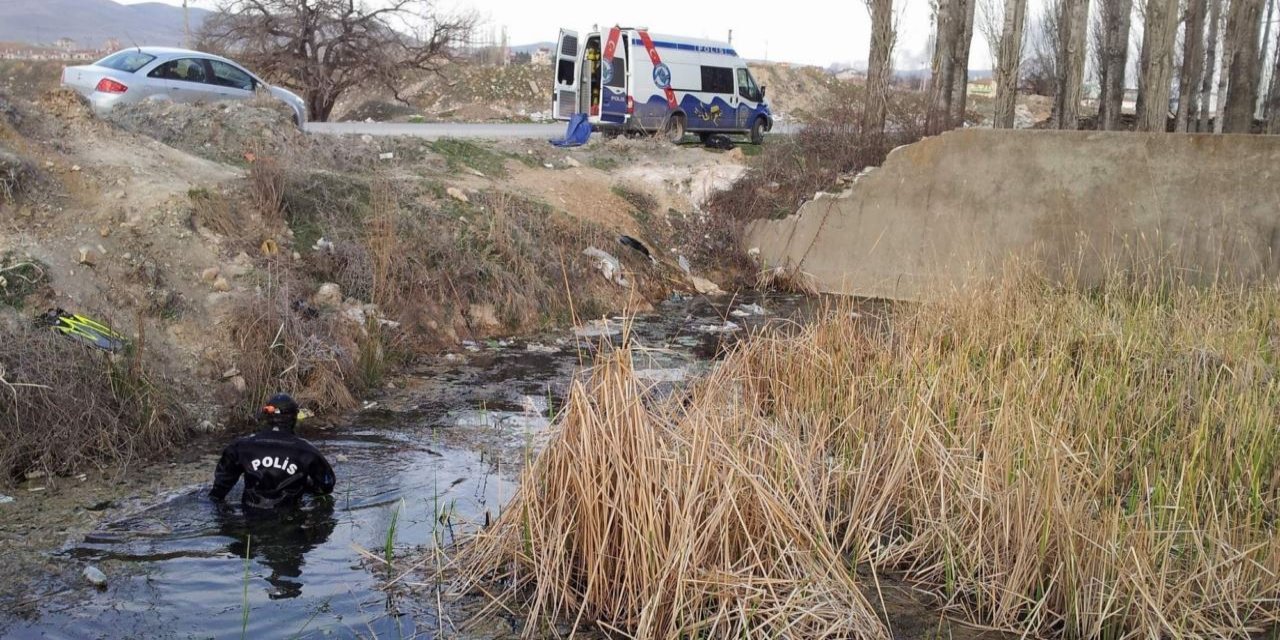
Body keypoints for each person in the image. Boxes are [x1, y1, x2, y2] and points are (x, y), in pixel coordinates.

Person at [209, 393, 336, 510]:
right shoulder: (307, 451)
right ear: (294, 418)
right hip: (291, 521)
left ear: (267, 417)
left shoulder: (241, 446)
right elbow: (326, 485)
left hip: (250, 519)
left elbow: (219, 489)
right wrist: (304, 484)